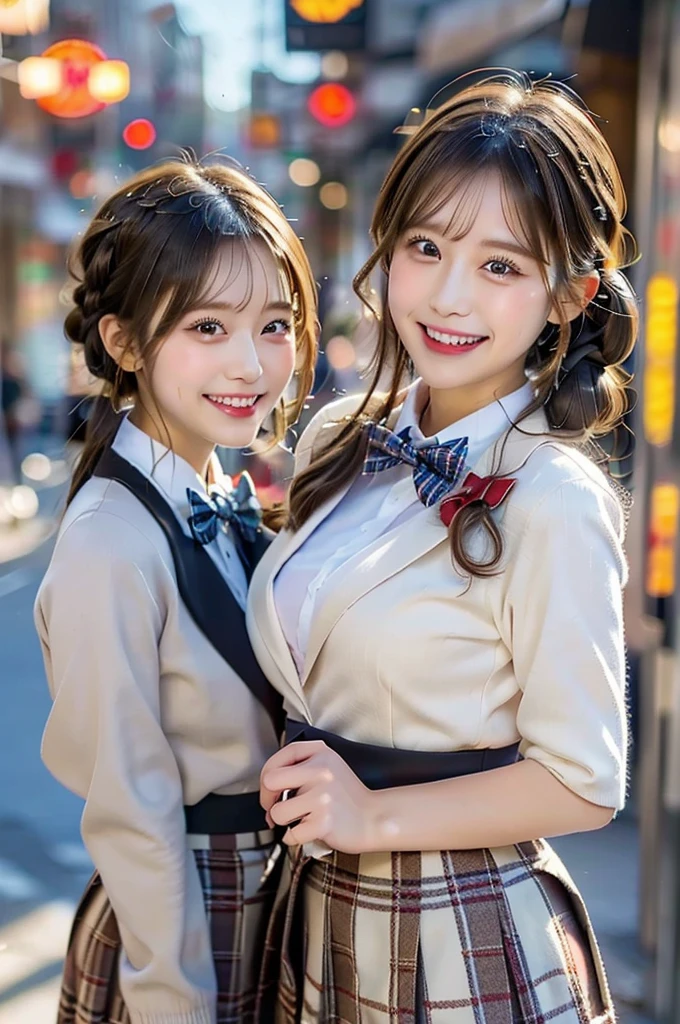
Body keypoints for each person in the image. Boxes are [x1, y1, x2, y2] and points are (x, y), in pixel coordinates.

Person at [247, 70, 636, 1023]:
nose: (449, 296)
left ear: (567, 295)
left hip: (460, 933)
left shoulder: (553, 497)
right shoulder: (341, 435)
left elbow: (584, 781)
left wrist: (374, 814)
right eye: (426, 247)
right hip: (313, 911)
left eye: (501, 266)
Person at [34, 158, 317, 1024]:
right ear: (124, 343)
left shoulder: (218, 495)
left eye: (275, 325)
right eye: (207, 326)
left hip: (255, 899)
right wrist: (176, 1001)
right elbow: (131, 810)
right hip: (183, 931)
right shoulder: (111, 542)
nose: (252, 363)